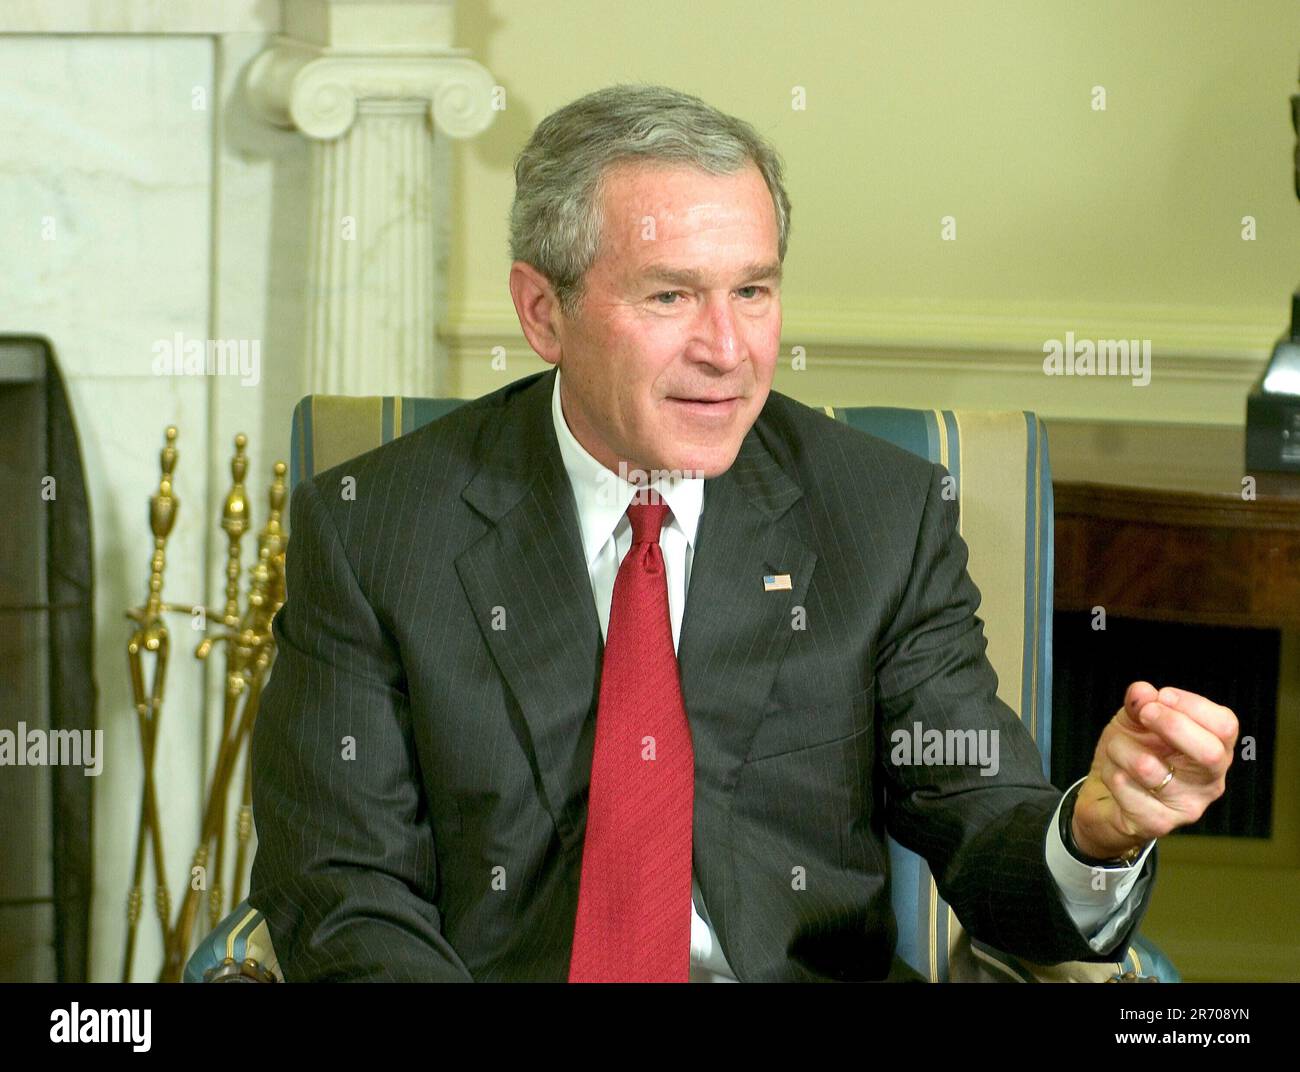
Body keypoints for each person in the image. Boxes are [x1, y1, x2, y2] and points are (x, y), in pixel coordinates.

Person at [248, 84, 1238, 982]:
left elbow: (981, 819)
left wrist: (1095, 831)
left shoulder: (876, 515)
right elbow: (340, 886)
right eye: (670, 295)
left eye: (753, 291)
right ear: (541, 311)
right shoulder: (375, 527)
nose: (727, 351)